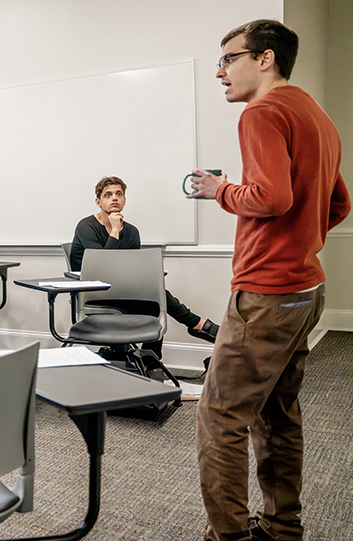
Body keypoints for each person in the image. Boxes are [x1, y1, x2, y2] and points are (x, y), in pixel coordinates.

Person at [186, 20, 348, 541]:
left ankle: (228, 536)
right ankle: (282, 527)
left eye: (229, 58)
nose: (219, 71)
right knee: (277, 413)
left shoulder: (262, 112)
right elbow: (340, 202)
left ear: (265, 58)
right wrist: (300, 241)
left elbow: (271, 198)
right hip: (306, 290)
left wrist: (219, 190)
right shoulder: (314, 113)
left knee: (220, 420)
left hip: (266, 295)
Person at [68, 176, 220, 350]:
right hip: (92, 293)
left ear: (124, 200)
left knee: (155, 300)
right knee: (157, 297)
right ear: (98, 201)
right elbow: (101, 265)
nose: (114, 198)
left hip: (119, 289)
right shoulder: (86, 226)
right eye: (108, 195)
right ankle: (197, 324)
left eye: (119, 194)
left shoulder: (131, 231)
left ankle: (150, 360)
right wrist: (115, 231)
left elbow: (132, 268)